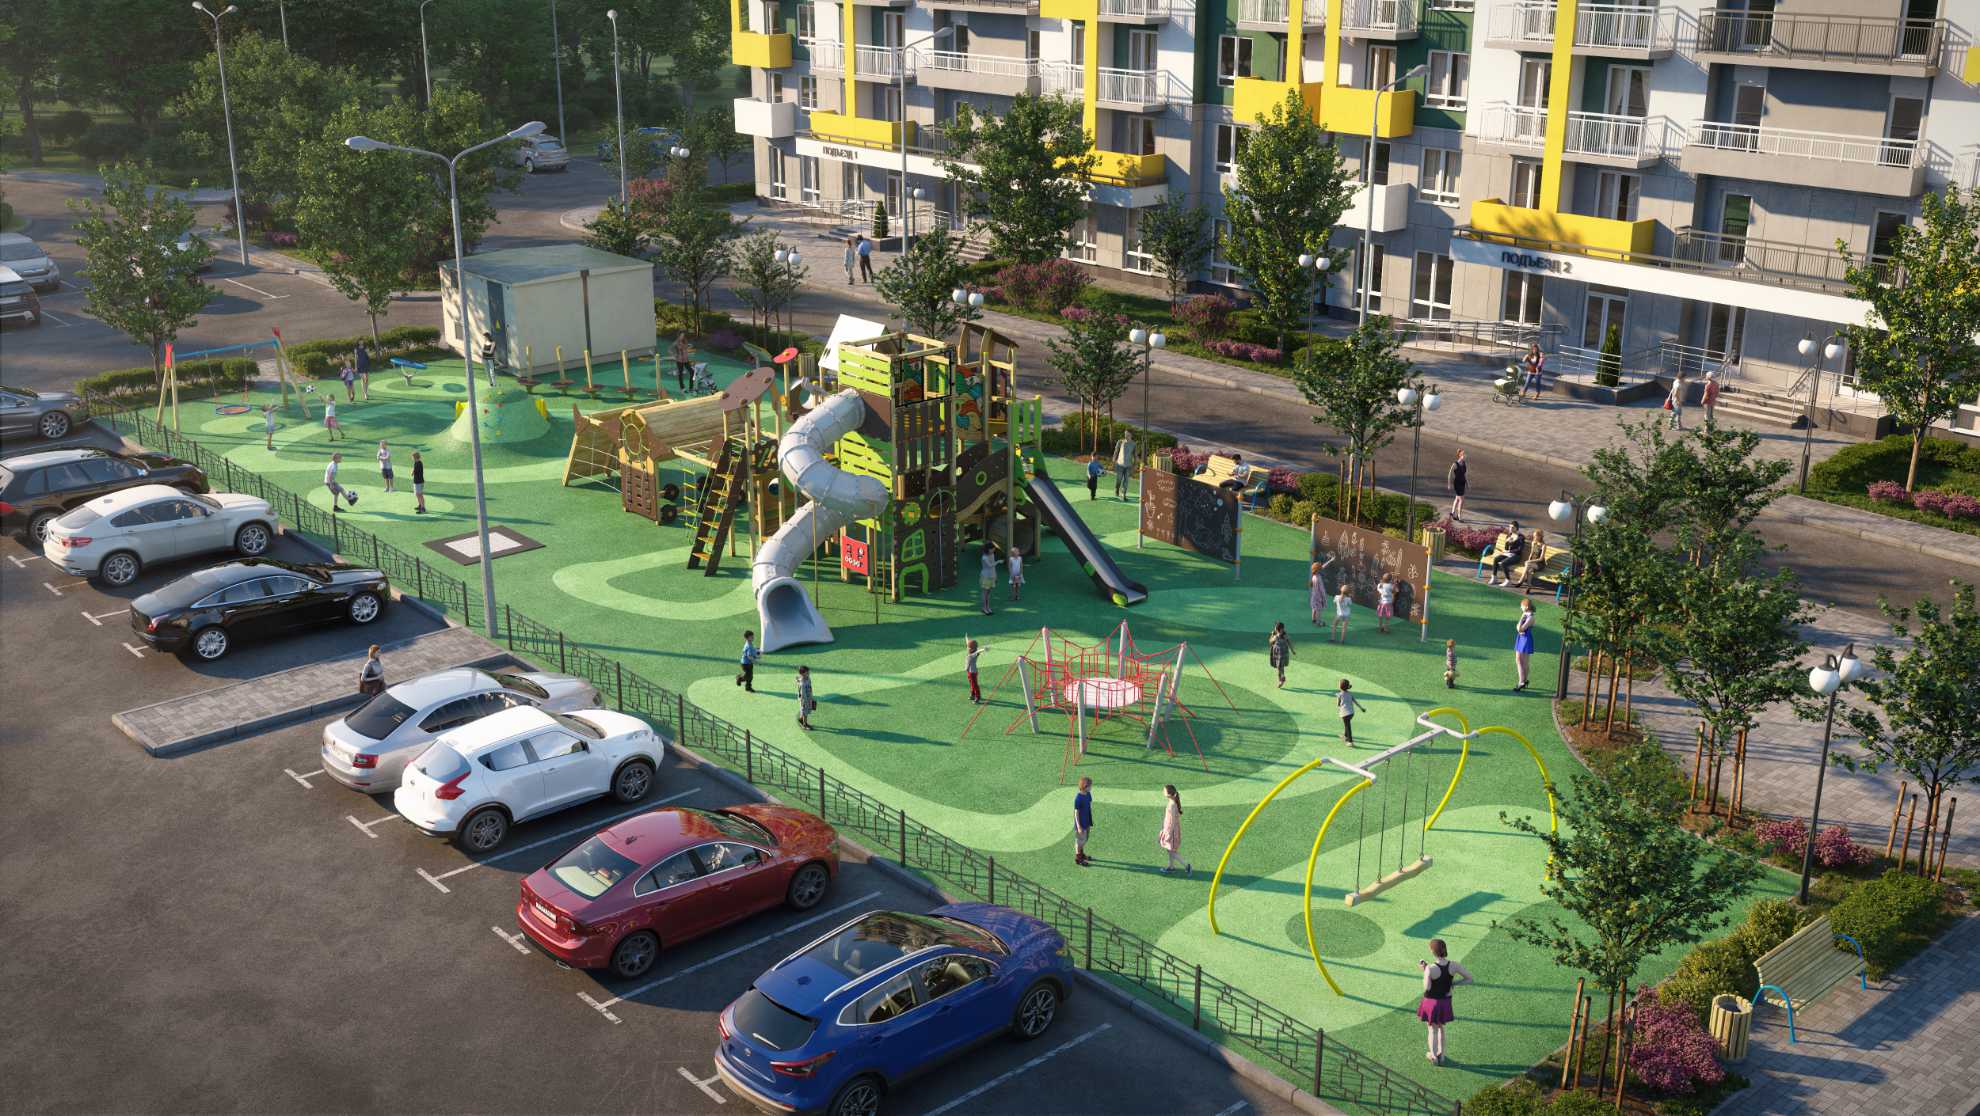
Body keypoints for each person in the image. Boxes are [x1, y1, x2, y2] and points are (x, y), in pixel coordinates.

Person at [1418, 939, 1474, 1066]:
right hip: (1445, 1002)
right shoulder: (1454, 965)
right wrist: (1453, 983)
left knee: (1432, 1029)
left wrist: (1425, 971)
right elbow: (1469, 979)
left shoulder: (1430, 968)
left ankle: (1433, 1056)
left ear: (1433, 951)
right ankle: (1442, 1056)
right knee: (1441, 1028)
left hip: (1431, 1002)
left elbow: (1427, 987)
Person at [1158, 785, 1190, 875]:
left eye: (1164, 791)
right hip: (1170, 830)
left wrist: (1168, 833)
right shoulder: (1172, 802)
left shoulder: (1172, 805)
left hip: (1171, 831)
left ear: (1169, 794)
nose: (1163, 792)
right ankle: (1171, 867)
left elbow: (1172, 821)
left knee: (1171, 851)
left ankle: (1187, 866)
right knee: (1170, 849)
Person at [1487, 522, 1527, 586]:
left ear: (1516, 528)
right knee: (1496, 559)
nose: (1510, 528)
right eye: (1510, 527)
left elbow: (1520, 549)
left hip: (1516, 556)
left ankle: (1508, 580)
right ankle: (1494, 577)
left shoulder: (1521, 537)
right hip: (1508, 554)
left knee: (1503, 563)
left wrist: (1509, 551)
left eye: (1512, 527)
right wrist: (1507, 542)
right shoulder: (1509, 535)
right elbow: (1506, 548)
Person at [1514, 597, 1537, 690]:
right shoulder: (1524, 615)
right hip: (1521, 638)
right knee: (1520, 660)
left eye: (1522, 606)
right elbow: (1517, 627)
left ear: (1526, 607)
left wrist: (1520, 627)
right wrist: (1521, 619)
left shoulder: (1530, 617)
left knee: (1522, 661)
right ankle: (1524, 681)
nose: (1521, 607)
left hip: (1526, 639)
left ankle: (1521, 682)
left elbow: (1521, 628)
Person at [1073, 776, 1094, 867]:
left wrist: (1090, 819)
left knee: (1085, 838)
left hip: (1087, 820)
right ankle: (1078, 858)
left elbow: (1089, 805)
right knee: (1080, 840)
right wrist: (1078, 826)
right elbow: (1076, 813)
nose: (1091, 787)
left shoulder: (1088, 794)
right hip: (1080, 823)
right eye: (1090, 786)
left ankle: (1081, 854)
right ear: (1085, 786)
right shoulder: (1078, 798)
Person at [1336, 678, 1366, 744]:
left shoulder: (1339, 695)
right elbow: (1355, 702)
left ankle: (1350, 741)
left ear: (1340, 686)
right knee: (1347, 724)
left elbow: (1338, 705)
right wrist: (1361, 708)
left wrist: (1340, 709)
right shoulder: (1350, 694)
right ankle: (1345, 736)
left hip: (1344, 713)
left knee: (1347, 726)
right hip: (1351, 713)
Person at [1309, 556, 1336, 626]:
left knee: (1314, 608)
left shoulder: (1314, 575)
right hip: (1318, 597)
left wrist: (1330, 561)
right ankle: (1319, 622)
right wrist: (1324, 597)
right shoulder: (1318, 578)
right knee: (1319, 610)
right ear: (1318, 570)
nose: (1321, 568)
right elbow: (1322, 589)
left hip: (1314, 596)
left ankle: (1313, 619)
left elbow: (1323, 567)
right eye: (1320, 568)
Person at [1267, 622, 1293, 689]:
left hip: (1279, 652)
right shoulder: (1284, 634)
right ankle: (1280, 680)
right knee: (1279, 666)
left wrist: (1272, 635)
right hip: (1281, 652)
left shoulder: (1278, 635)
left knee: (1279, 666)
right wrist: (1292, 650)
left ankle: (1282, 677)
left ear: (1278, 628)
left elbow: (1270, 641)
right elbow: (1289, 642)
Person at [1447, 450, 1467, 521]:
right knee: (1461, 499)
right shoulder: (1455, 464)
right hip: (1457, 483)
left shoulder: (1464, 463)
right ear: (1460, 455)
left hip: (1462, 483)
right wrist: (1449, 484)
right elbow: (1449, 474)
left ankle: (1452, 512)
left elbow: (1464, 474)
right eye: (1463, 454)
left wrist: (1467, 483)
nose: (1465, 455)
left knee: (1457, 498)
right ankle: (1459, 516)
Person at [1113, 432, 1135, 499]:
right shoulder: (1120, 442)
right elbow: (1116, 451)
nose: (1126, 436)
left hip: (1128, 465)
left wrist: (1135, 464)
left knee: (1126, 480)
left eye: (1127, 434)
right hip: (1120, 464)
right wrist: (1114, 460)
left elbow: (1135, 455)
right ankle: (1117, 489)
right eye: (1125, 434)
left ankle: (1123, 494)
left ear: (1131, 435)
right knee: (1119, 479)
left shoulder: (1133, 444)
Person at [795, 665, 815, 731]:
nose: (809, 674)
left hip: (808, 697)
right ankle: (804, 724)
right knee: (805, 712)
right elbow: (803, 694)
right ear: (802, 674)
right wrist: (805, 701)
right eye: (807, 673)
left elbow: (810, 687)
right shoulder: (802, 683)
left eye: (809, 672)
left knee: (806, 710)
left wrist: (811, 696)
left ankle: (801, 719)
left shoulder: (808, 679)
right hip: (804, 699)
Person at [964, 638, 983, 704]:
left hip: (972, 672)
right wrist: (966, 638)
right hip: (969, 671)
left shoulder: (973, 655)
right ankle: (973, 694)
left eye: (968, 647)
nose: (967, 648)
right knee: (971, 684)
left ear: (972, 649)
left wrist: (983, 649)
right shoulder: (970, 652)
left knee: (974, 685)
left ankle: (977, 697)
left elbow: (978, 651)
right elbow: (968, 643)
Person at [978, 549, 997, 615]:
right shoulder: (984, 557)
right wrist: (998, 562)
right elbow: (990, 565)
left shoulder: (992, 555)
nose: (993, 550)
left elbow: (993, 567)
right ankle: (984, 608)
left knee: (988, 593)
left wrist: (995, 576)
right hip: (985, 577)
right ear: (988, 549)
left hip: (992, 576)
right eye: (992, 549)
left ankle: (988, 607)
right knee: (985, 593)